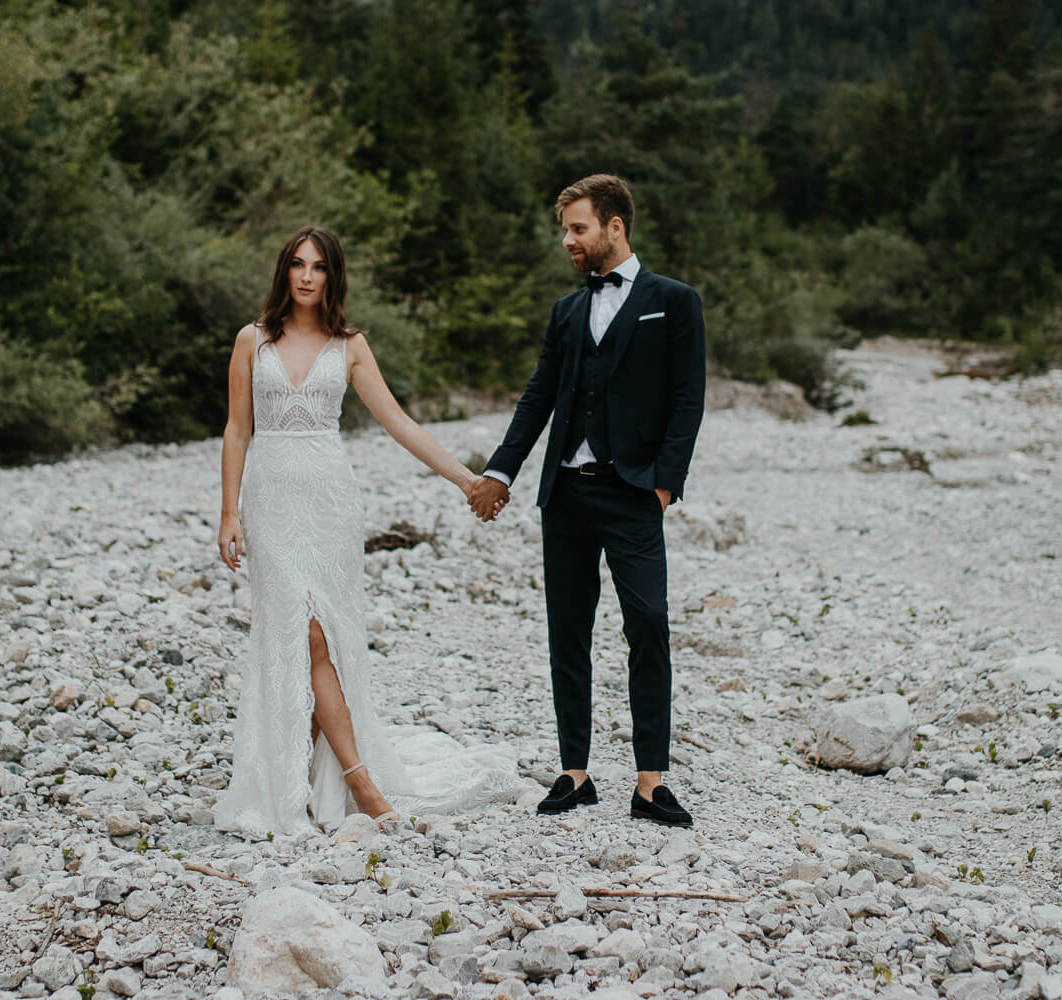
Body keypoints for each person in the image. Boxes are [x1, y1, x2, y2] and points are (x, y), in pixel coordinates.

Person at [215, 225, 520, 835]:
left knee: (324, 640)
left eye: (319, 267)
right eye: (298, 264)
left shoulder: (349, 345)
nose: (307, 276)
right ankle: (357, 781)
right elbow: (237, 429)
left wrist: (468, 480)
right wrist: (228, 512)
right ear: (284, 271)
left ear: (333, 276)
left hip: (330, 504)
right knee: (300, 636)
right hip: (271, 504)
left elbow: (399, 424)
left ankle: (314, 776)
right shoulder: (253, 340)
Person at [468, 174, 706, 828]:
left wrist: (664, 485)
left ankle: (651, 783)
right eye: (565, 230)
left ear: (614, 226)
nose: (567, 241)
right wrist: (501, 472)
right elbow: (538, 398)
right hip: (566, 496)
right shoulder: (566, 312)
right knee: (567, 631)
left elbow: (688, 398)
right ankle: (574, 773)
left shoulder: (673, 302)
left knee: (648, 625)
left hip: (634, 495)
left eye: (577, 228)